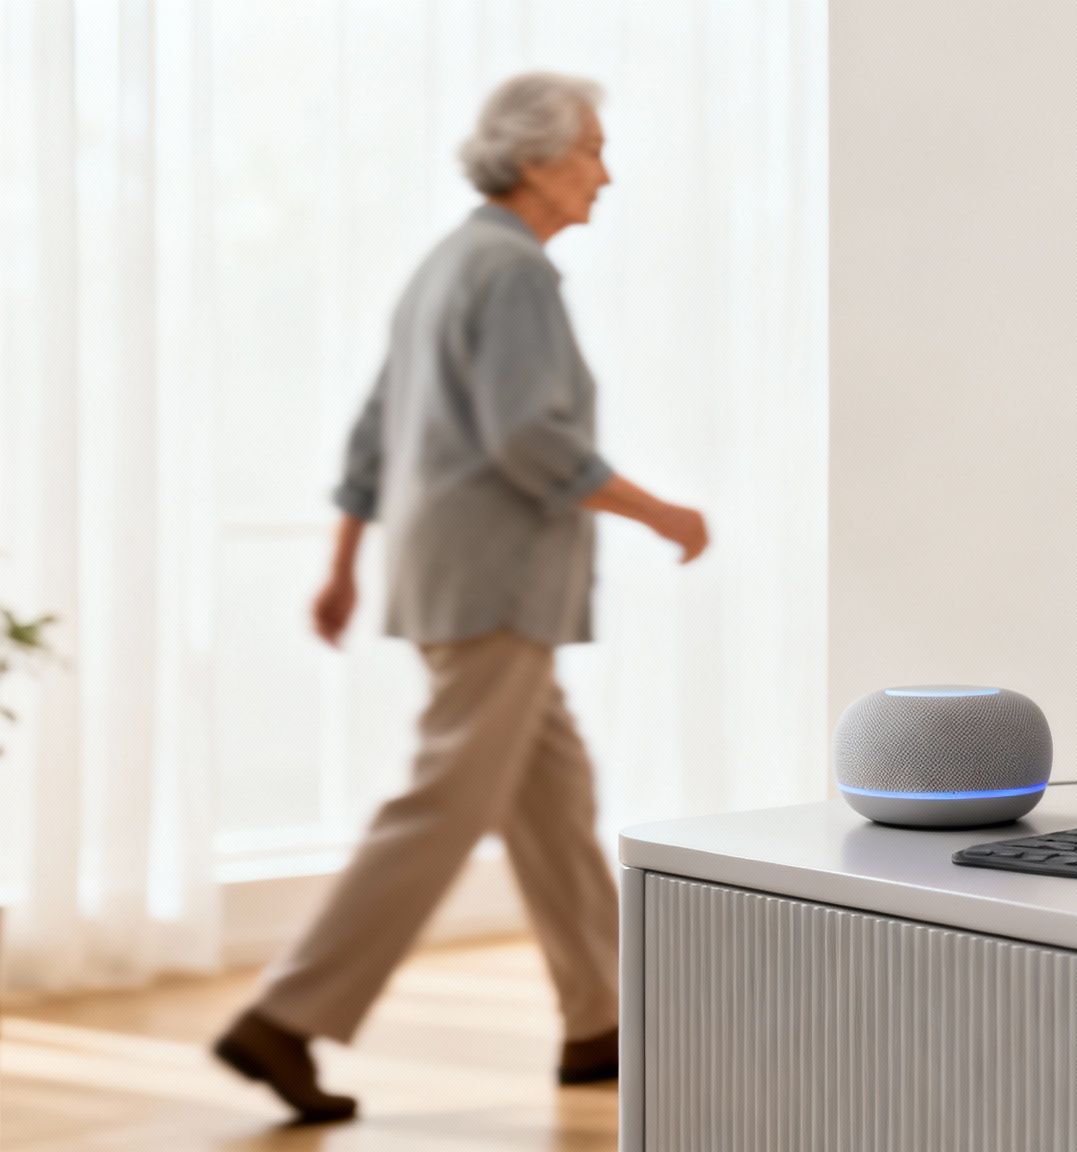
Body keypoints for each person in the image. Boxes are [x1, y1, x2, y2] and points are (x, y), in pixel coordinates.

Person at [211, 72, 708, 1124]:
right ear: (534, 160)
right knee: (444, 804)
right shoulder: (513, 274)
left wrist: (345, 562)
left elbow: (372, 432)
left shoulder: (444, 264)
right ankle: (284, 1018)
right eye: (590, 153)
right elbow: (531, 438)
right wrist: (661, 511)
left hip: (446, 576)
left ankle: (602, 1019)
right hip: (499, 584)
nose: (604, 175)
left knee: (555, 802)